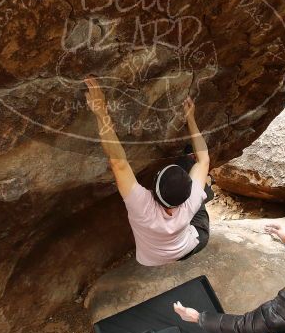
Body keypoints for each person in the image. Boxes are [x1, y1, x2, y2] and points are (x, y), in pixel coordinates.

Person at [84, 76, 213, 266]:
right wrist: (191, 119)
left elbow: (118, 163)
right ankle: (206, 188)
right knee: (190, 161)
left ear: (153, 189)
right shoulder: (190, 202)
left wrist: (101, 111)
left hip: (157, 255)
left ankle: (207, 188)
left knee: (188, 163)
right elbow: (204, 160)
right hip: (190, 244)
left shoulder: (142, 207)